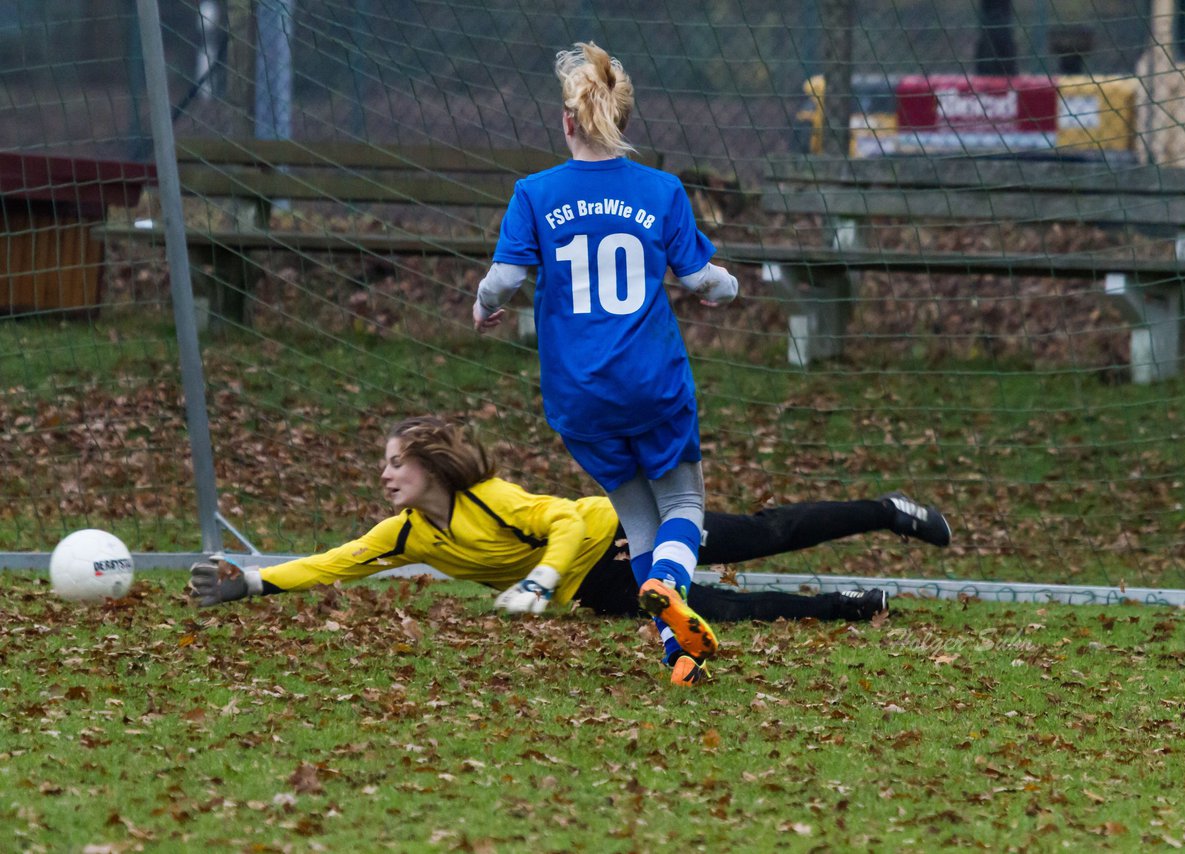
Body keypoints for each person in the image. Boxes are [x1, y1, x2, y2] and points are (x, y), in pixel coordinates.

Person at [191, 417, 953, 686]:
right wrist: (250, 582)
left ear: (429, 463)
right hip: (602, 590)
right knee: (722, 609)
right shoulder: (407, 535)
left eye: (396, 461)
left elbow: (568, 523)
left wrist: (542, 578)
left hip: (627, 532)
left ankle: (887, 511)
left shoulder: (494, 497)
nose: (386, 474)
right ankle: (844, 607)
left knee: (770, 532)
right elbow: (333, 561)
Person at [469, 42, 742, 683]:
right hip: (652, 383)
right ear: (623, 119)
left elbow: (504, 278)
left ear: (568, 120)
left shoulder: (534, 194)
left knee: (637, 519)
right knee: (683, 507)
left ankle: (678, 654)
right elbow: (701, 279)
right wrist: (728, 286)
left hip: (578, 397)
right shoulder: (660, 189)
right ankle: (671, 584)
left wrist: (483, 308)